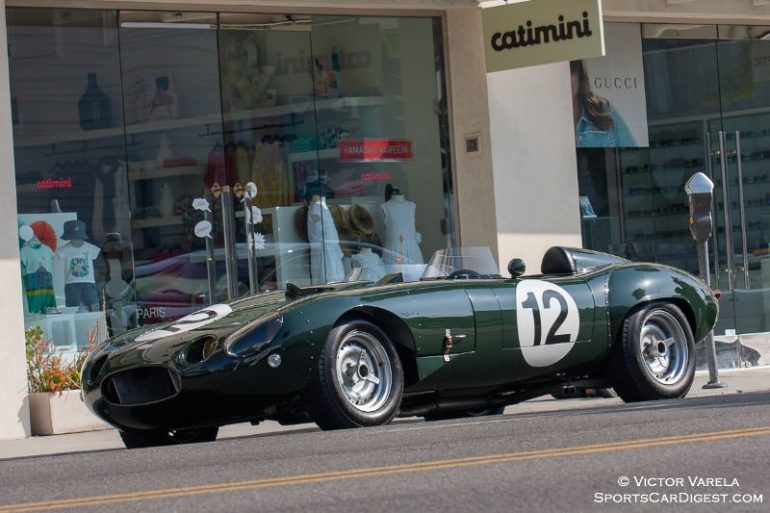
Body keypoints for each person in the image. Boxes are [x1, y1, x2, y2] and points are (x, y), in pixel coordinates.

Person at [571, 60, 637, 148]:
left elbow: (631, 153)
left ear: (580, 73)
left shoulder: (604, 111)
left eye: (571, 69)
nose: (565, 77)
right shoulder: (548, 122)